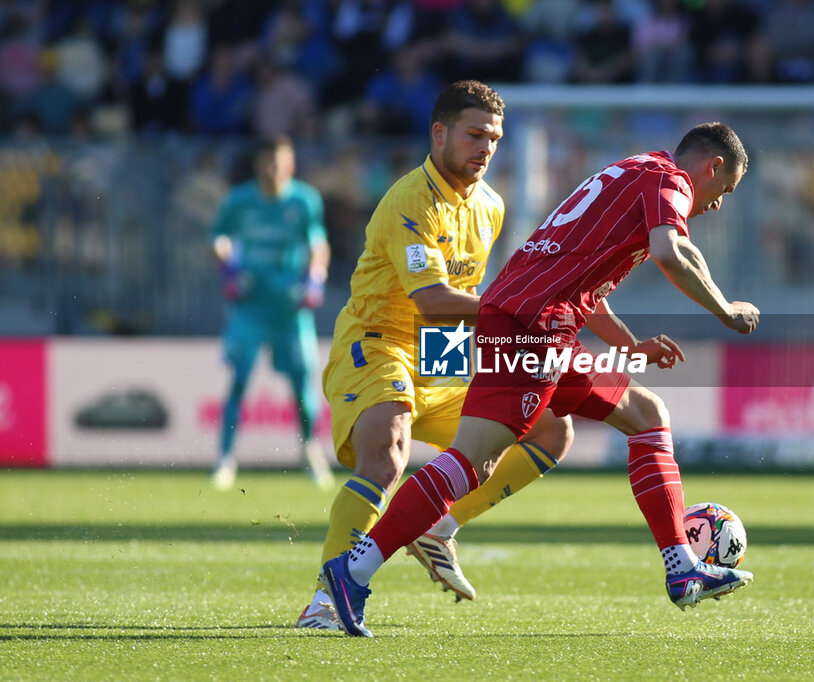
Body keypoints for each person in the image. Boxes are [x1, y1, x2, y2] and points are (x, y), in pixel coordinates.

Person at [318, 122, 761, 637]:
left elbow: (584, 281)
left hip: (540, 324)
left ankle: (681, 566)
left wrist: (630, 347)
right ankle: (353, 571)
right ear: (711, 168)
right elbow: (671, 253)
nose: (717, 204)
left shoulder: (634, 172)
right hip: (531, 330)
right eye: (724, 191)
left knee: (646, 415)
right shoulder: (671, 183)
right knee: (471, 461)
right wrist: (725, 309)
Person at [296, 80, 574, 629]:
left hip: (437, 353)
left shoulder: (490, 206)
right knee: (388, 451)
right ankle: (327, 602)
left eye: (494, 139)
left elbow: (468, 299)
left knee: (551, 429)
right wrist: (523, 313)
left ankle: (438, 526)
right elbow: (432, 299)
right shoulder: (409, 200)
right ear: (439, 133)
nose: (486, 148)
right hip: (377, 342)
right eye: (474, 135)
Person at [210, 135, 335, 491]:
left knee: (302, 387)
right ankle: (225, 459)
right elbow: (218, 240)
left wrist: (315, 279)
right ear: (257, 165)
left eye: (279, 162)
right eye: (267, 162)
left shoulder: (305, 199)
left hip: (290, 310)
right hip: (250, 308)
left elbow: (318, 244)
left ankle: (310, 452)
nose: (273, 170)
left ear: (291, 164)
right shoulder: (238, 201)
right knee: (238, 382)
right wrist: (228, 268)